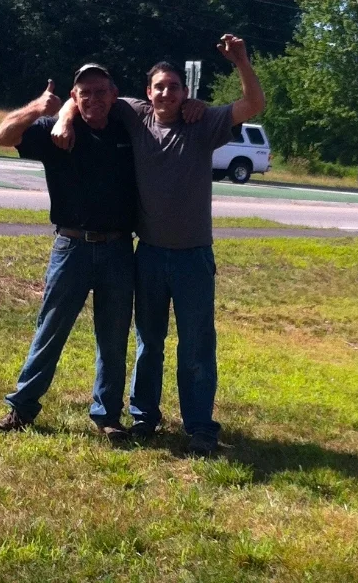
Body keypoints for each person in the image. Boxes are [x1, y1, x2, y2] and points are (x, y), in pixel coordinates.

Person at [53, 34, 265, 456]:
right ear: (147, 94)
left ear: (186, 93)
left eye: (174, 86)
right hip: (147, 254)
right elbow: (84, 96)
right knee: (149, 341)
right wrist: (62, 116)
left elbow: (253, 104)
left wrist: (240, 60)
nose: (166, 92)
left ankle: (200, 427)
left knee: (197, 344)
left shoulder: (202, 123)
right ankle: (144, 417)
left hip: (193, 258)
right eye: (159, 87)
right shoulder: (134, 115)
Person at [0, 65, 138, 444]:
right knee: (50, 330)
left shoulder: (128, 127)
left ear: (114, 94)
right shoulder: (55, 134)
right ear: (74, 96)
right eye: (84, 92)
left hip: (119, 248)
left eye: (101, 91)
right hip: (71, 248)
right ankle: (22, 408)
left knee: (114, 336)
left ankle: (107, 415)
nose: (93, 99)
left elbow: (159, 106)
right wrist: (42, 108)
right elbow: (1, 136)